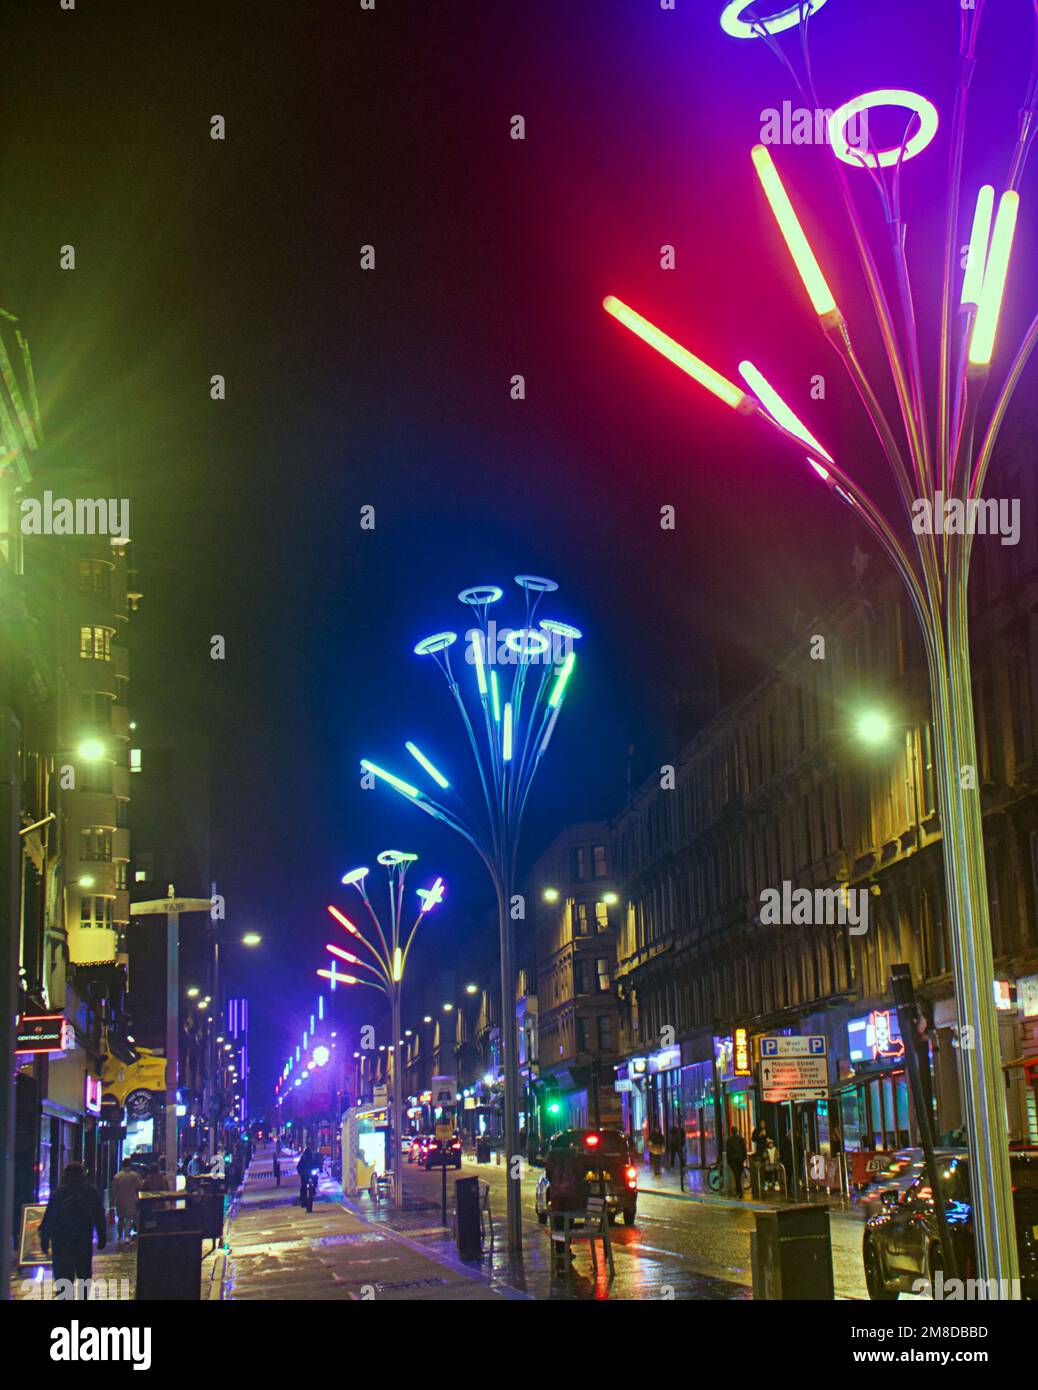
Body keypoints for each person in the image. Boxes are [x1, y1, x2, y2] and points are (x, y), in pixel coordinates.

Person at [39, 1162, 107, 1297]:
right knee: (84, 1276)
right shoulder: (91, 1192)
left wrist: (45, 1240)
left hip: (62, 1242)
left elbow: (49, 1218)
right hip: (83, 1240)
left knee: (63, 1278)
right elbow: (99, 1216)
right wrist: (102, 1237)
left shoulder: (59, 1193)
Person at [109, 1158, 142, 1243]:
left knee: (121, 1218)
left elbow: (113, 1190)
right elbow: (139, 1186)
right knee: (129, 1218)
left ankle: (120, 1236)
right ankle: (127, 1236)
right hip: (131, 1199)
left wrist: (112, 1199)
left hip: (120, 1200)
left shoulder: (117, 1176)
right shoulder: (134, 1175)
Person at [725, 1126, 747, 1199]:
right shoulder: (741, 1139)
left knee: (736, 1176)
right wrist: (743, 1158)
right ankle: (739, 1191)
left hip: (733, 1160)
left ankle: (738, 1192)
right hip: (740, 1160)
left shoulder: (729, 1140)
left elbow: (728, 1151)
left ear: (731, 1131)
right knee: (738, 1176)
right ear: (737, 1131)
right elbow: (744, 1149)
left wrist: (729, 1161)